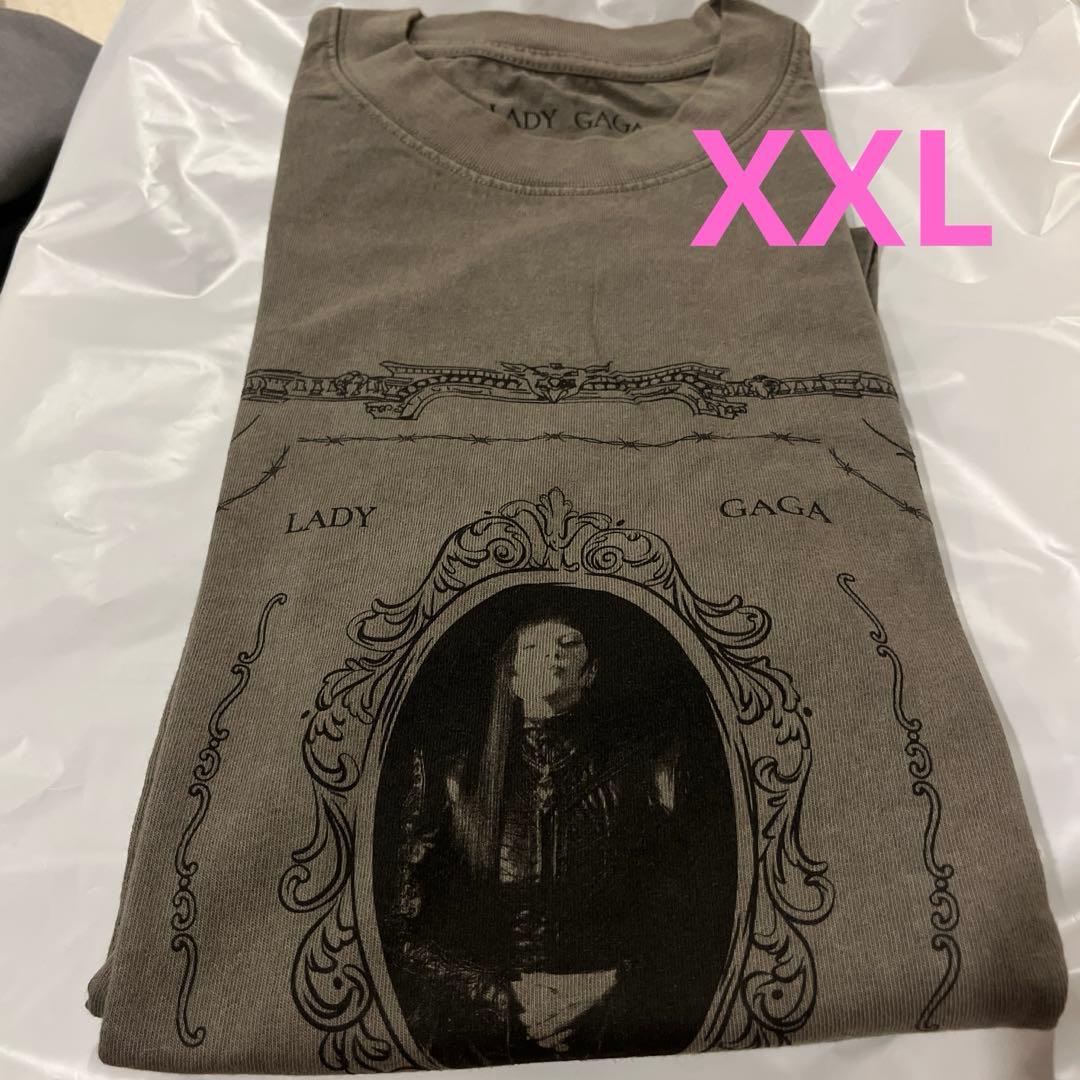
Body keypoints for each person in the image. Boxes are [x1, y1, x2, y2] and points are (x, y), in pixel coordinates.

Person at [382, 606, 704, 1067]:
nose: (553, 654)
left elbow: (690, 918)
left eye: (568, 645)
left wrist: (607, 984)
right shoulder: (458, 780)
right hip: (486, 1038)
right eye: (533, 647)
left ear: (590, 673)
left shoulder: (645, 775)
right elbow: (402, 935)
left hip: (617, 1036)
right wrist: (502, 996)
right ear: (512, 678)